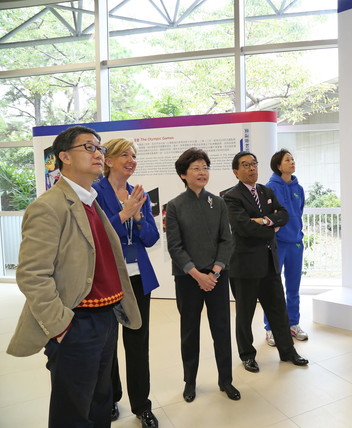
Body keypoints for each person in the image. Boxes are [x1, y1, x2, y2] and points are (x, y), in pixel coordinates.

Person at [6, 125, 142, 428]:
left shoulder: (91, 202)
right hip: (77, 322)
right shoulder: (49, 206)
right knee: (73, 411)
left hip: (106, 319)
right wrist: (61, 325)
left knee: (100, 402)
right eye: (89, 147)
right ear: (64, 157)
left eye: (100, 148)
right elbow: (32, 275)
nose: (98, 153)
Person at [93, 138, 160, 428]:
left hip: (138, 278)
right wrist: (124, 213)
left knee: (137, 343)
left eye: (134, 155)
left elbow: (151, 238)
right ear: (107, 160)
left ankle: (142, 406)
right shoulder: (94, 192)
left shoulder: (137, 193)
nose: (131, 160)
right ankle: (110, 400)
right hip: (109, 277)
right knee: (107, 344)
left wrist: (141, 217)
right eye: (125, 155)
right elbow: (96, 234)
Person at [165, 148, 240, 403]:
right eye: (196, 168)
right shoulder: (174, 206)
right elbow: (175, 246)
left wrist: (216, 271)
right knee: (189, 331)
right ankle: (190, 381)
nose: (202, 172)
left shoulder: (218, 202)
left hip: (217, 277)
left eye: (205, 167)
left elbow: (226, 240)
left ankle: (226, 380)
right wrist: (198, 275)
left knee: (221, 329)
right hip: (188, 279)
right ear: (183, 174)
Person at [223, 151, 309, 373]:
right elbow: (243, 228)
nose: (251, 168)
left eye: (254, 164)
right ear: (236, 171)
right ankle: (247, 355)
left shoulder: (266, 190)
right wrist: (270, 228)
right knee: (245, 314)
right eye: (245, 165)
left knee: (278, 310)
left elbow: (284, 215)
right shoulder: (230, 196)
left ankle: (288, 352)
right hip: (245, 266)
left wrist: (264, 221)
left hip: (269, 262)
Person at [264, 149, 308, 346]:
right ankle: (270, 328)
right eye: (287, 160)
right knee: (272, 288)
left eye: (293, 159)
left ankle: (293, 323)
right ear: (278, 165)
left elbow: (299, 212)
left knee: (293, 287)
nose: (292, 162)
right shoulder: (269, 188)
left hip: (296, 244)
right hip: (277, 244)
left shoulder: (299, 187)